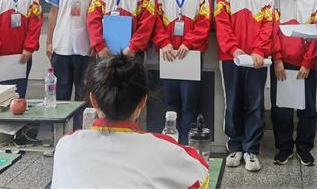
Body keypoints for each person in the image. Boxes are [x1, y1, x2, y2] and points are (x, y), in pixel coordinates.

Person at [51, 55, 209, 189]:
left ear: (93, 100)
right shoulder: (164, 149)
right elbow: (201, 173)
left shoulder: (66, 145)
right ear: (143, 101)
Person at [215, 0, 273, 173]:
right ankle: (235, 146)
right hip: (231, 58)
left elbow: (268, 24)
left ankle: (251, 150)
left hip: (257, 59)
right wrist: (233, 49)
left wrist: (259, 50)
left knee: (255, 103)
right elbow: (221, 22)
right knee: (233, 101)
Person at [154, 0, 212, 145]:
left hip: (191, 54)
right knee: (171, 103)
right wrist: (164, 43)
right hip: (169, 54)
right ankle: (171, 145)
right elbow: (156, 20)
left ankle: (187, 145)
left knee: (189, 104)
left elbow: (205, 21)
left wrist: (188, 43)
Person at [270, 0, 317, 166]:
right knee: (281, 108)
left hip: (306, 64)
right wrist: (277, 59)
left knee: (307, 108)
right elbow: (272, 29)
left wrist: (308, 63)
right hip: (282, 62)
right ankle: (284, 147)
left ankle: (304, 147)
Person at [46, 0, 100, 125]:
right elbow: (53, 11)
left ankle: (80, 133)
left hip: (86, 45)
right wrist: (49, 41)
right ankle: (60, 134)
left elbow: (99, 13)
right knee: (60, 95)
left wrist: (96, 41)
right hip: (61, 44)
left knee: (84, 95)